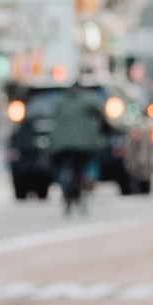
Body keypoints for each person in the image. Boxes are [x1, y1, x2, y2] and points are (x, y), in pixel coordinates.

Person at [44, 82, 106, 214]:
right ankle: (87, 184)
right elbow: (102, 115)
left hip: (61, 144)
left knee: (59, 166)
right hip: (85, 144)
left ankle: (65, 188)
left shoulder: (60, 101)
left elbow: (53, 118)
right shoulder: (90, 99)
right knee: (90, 163)